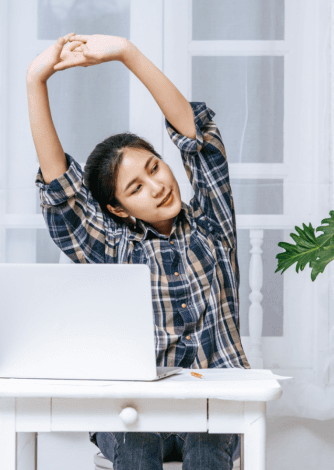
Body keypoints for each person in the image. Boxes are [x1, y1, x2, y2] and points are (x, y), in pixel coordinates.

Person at [27, 32, 249, 470]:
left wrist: (127, 52)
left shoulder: (212, 226)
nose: (158, 186)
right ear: (118, 209)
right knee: (137, 443)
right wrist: (36, 81)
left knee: (206, 448)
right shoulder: (112, 249)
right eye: (136, 188)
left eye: (154, 167)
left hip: (213, 404)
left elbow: (196, 136)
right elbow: (61, 191)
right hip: (133, 410)